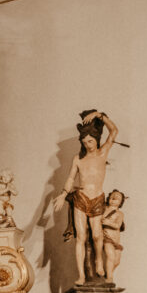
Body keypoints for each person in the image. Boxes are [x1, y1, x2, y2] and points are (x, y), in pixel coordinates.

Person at [53, 110, 119, 283]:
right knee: (81, 237)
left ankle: (98, 260)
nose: (88, 144)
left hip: (97, 198)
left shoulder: (102, 153)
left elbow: (114, 131)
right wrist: (63, 195)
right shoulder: (78, 159)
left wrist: (100, 115)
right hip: (81, 198)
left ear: (96, 139)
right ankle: (81, 275)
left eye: (91, 140)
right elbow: (70, 178)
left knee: (97, 235)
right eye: (85, 142)